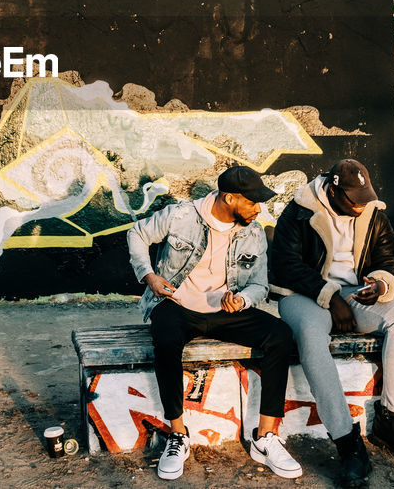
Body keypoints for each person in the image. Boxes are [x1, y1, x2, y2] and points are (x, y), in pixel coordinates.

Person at [128, 164, 303, 481]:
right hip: (176, 303)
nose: (258, 208)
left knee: (280, 334)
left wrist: (242, 299)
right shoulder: (181, 215)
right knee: (165, 337)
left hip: (223, 310)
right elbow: (137, 233)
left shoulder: (252, 231)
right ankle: (178, 435)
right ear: (230, 198)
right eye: (252, 201)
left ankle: (264, 437)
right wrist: (149, 275)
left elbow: (259, 286)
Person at [269, 158, 394, 489]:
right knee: (312, 336)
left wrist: (381, 285)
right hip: (303, 295)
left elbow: (391, 261)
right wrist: (330, 295)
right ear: (332, 189)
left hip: (355, 295)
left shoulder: (372, 212)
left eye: (364, 198)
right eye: (352, 199)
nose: (359, 206)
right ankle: (347, 441)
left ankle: (392, 419)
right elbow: (285, 266)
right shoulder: (299, 210)